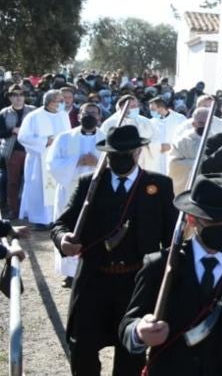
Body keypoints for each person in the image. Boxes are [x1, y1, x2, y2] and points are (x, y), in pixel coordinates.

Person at [120, 173, 222, 375]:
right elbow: (128, 326)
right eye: (213, 221)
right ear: (192, 219)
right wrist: (139, 332)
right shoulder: (160, 265)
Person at [51, 125, 177, 376]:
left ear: (138, 152)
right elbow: (62, 223)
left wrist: (164, 275)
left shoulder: (159, 185)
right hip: (93, 279)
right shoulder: (90, 184)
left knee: (131, 353)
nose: (119, 159)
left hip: (136, 282)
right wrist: (63, 238)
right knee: (82, 346)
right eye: (113, 154)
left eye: (126, 153)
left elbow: (172, 238)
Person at [47, 102, 103, 285]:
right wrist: (76, 161)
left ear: (99, 117)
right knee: (68, 227)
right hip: (69, 190)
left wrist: (97, 163)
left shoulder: (106, 139)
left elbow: (117, 164)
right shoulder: (64, 138)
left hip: (96, 192)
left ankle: (90, 268)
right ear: (79, 116)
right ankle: (69, 273)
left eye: (94, 113)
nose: (90, 116)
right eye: (86, 113)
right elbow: (52, 163)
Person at [17, 89, 69, 227]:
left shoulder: (63, 115)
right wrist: (45, 141)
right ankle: (40, 220)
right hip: (39, 160)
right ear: (51, 102)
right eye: (60, 101)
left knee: (58, 188)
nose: (63, 104)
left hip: (59, 159)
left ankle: (56, 218)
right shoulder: (34, 116)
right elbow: (23, 137)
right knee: (39, 189)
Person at [0, 85, 32, 219]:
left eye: (21, 94)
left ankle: (30, 211)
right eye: (15, 95)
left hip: (31, 151)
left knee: (31, 181)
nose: (18, 98)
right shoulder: (3, 113)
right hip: (12, 151)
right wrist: (13, 130)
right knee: (13, 182)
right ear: (10, 97)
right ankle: (14, 210)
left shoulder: (33, 111)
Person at [168, 107, 211, 193]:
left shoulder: (214, 139)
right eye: (201, 123)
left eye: (208, 123)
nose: (205, 127)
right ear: (193, 124)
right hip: (186, 187)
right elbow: (173, 165)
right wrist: (199, 163)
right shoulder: (181, 142)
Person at [145, 96, 186, 176]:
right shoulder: (151, 122)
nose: (151, 112)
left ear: (161, 108)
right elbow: (147, 140)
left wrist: (172, 146)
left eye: (153, 109)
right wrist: (157, 146)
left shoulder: (180, 119)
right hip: (156, 159)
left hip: (174, 157)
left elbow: (185, 138)